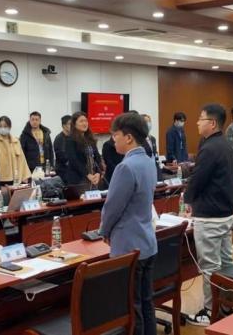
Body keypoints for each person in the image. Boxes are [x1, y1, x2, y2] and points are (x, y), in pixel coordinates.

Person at [99, 113, 158, 335]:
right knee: (146, 301)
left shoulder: (126, 167)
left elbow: (113, 207)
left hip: (128, 245)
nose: (113, 140)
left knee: (132, 307)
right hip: (147, 242)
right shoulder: (148, 161)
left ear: (129, 137)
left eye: (115, 135)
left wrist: (104, 231)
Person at [183, 104, 233, 326]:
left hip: (210, 217)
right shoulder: (224, 144)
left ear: (212, 123)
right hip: (225, 214)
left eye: (201, 118)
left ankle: (209, 312)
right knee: (226, 264)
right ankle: (225, 306)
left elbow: (198, 179)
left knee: (210, 267)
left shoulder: (209, 148)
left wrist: (187, 199)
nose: (197, 122)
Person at [64, 112, 103, 187]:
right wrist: (87, 174)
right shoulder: (70, 140)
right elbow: (74, 161)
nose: (85, 123)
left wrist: (98, 173)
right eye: (81, 121)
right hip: (79, 179)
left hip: (93, 177)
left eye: (86, 121)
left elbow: (97, 157)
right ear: (74, 124)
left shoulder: (90, 139)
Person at [0, 116, 31, 187]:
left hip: (15, 177)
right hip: (0, 178)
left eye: (5, 126)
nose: (3, 128)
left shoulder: (15, 141)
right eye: (0, 126)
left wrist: (25, 175)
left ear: (10, 127)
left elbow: (22, 159)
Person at [141, 114, 163, 181]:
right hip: (144, 171)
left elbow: (155, 155)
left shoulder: (153, 139)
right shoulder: (138, 140)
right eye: (146, 122)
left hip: (154, 169)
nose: (148, 124)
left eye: (149, 121)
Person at [53, 114, 71, 180]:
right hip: (63, 172)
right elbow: (62, 157)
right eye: (70, 124)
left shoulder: (73, 137)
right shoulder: (59, 138)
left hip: (71, 170)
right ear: (64, 126)